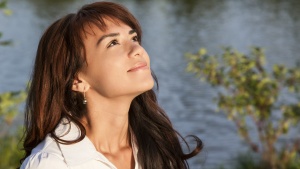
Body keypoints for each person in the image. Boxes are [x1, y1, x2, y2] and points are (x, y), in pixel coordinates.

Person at [20, 1, 203, 169]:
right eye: (113, 43)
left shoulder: (158, 144)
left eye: (134, 38)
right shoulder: (51, 164)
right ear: (76, 80)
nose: (137, 50)